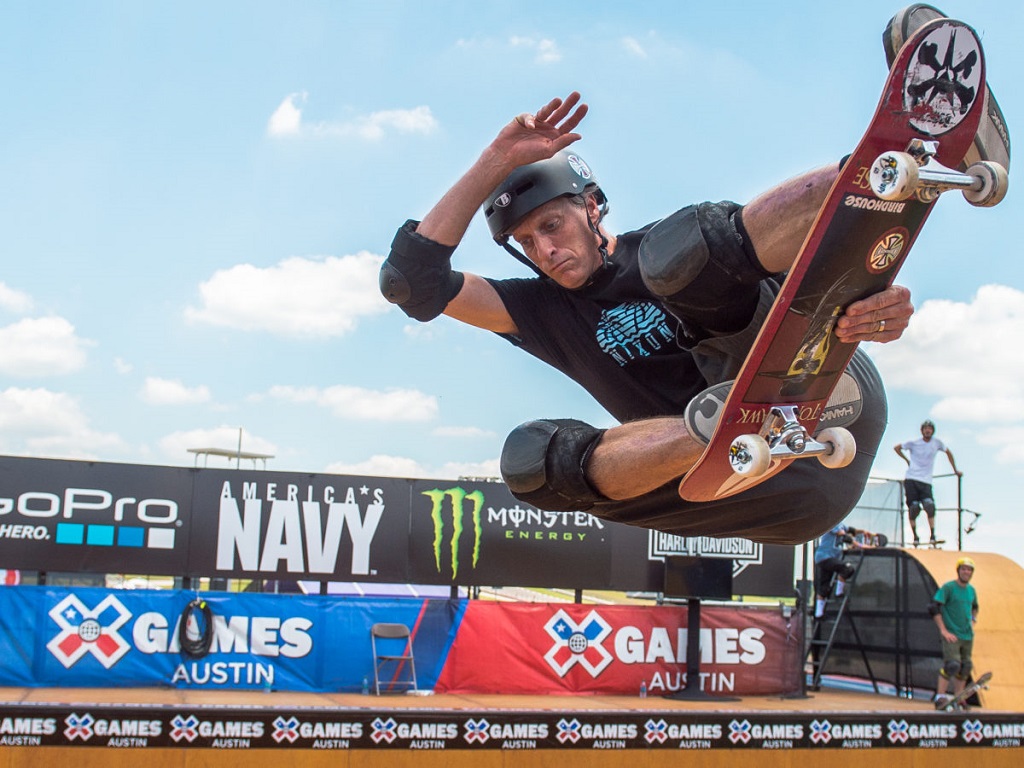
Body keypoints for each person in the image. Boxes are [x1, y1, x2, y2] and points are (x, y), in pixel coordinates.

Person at [381, 13, 1002, 546]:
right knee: (532, 464)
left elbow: (831, 279)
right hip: (749, 485)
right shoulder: (536, 310)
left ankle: (902, 163)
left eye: (552, 225)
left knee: (679, 256)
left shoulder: (659, 248)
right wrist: (495, 160)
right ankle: (722, 424)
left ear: (591, 206)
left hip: (835, 408)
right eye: (527, 243)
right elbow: (412, 283)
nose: (545, 249)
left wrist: (874, 303)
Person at [894, 420, 961, 546]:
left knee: (929, 506)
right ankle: (915, 537)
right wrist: (907, 461)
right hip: (911, 479)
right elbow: (897, 448)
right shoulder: (914, 443)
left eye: (929, 429)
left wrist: (955, 470)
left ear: (932, 431)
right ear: (922, 430)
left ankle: (932, 535)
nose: (927, 431)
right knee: (913, 508)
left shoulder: (937, 443)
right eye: (925, 429)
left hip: (926, 481)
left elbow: (948, 453)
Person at [930, 557, 979, 709]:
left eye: (969, 570)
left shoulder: (971, 590)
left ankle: (959, 698)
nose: (966, 572)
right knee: (952, 665)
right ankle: (940, 697)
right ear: (958, 571)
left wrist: (972, 621)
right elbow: (934, 607)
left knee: (965, 667)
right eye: (964, 569)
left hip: (967, 635)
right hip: (952, 634)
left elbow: (975, 607)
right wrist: (943, 630)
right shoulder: (949, 588)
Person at [812, 523, 867, 618]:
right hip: (825, 557)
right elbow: (843, 535)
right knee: (847, 569)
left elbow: (852, 530)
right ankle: (839, 592)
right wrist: (859, 545)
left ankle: (819, 614)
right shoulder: (833, 524)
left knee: (825, 586)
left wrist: (864, 532)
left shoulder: (842, 526)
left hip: (825, 558)